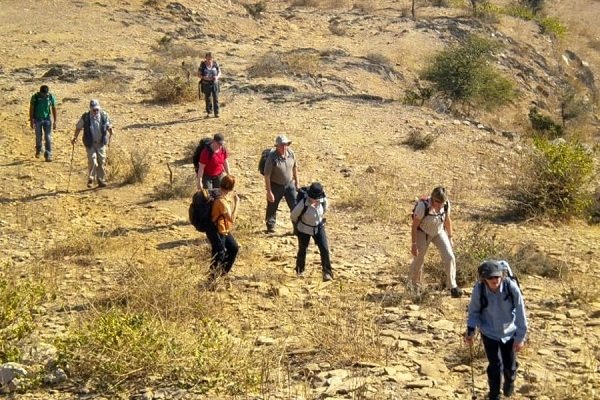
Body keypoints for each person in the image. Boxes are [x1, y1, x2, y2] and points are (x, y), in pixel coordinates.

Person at [465, 260, 528, 400]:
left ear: (502, 276)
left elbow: (520, 313)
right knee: (494, 365)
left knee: (509, 365)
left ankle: (510, 381)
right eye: (490, 277)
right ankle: (494, 394)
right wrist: (470, 331)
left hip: (509, 332)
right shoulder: (479, 290)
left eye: (497, 277)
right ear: (483, 278)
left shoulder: (511, 288)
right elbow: (474, 312)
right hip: (489, 332)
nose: (494, 280)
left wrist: (520, 338)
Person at [409, 186, 463, 297]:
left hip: (438, 232)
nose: (439, 205)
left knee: (449, 256)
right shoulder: (422, 206)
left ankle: (452, 286)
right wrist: (414, 244)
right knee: (419, 258)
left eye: (442, 203)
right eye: (437, 202)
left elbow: (447, 220)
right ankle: (414, 285)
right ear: (432, 199)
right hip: (422, 232)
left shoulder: (446, 204)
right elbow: (414, 226)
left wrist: (450, 237)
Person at [291, 182, 333, 281]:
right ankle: (300, 271)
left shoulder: (322, 200)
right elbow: (293, 215)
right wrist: (297, 227)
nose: (314, 199)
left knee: (324, 249)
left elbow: (325, 209)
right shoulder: (303, 203)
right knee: (302, 250)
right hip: (304, 229)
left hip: (318, 227)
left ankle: (327, 273)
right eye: (312, 197)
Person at [72, 99, 113, 188]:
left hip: (101, 143)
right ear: (90, 109)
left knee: (101, 162)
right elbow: (78, 127)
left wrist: (110, 131)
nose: (95, 111)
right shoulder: (85, 117)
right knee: (93, 161)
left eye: (97, 109)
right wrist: (75, 137)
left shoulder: (104, 115)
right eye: (94, 110)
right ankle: (91, 179)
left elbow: (109, 125)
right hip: (90, 143)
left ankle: (101, 180)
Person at [263, 134, 299, 233]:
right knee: (272, 206)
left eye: (286, 144)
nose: (284, 147)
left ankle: (297, 227)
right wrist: (269, 191)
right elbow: (267, 175)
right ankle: (270, 226)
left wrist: (297, 183)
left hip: (289, 184)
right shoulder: (272, 157)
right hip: (276, 185)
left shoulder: (291, 153)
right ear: (277, 146)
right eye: (281, 145)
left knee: (295, 206)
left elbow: (295, 168)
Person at [208, 174, 239, 279]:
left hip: (222, 228)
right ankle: (212, 279)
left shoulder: (216, 192)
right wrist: (237, 203)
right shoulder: (222, 201)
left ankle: (222, 274)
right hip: (215, 229)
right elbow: (232, 219)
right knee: (219, 254)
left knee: (233, 248)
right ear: (231, 187)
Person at [29, 85, 57, 162]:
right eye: (44, 94)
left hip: (47, 119)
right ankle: (39, 150)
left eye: (46, 94)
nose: (45, 95)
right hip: (37, 119)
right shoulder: (35, 97)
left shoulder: (50, 97)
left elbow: (54, 108)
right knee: (38, 137)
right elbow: (31, 109)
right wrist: (31, 121)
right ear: (40, 93)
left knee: (48, 137)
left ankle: (48, 154)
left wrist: (55, 121)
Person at [198, 52, 221, 118]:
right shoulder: (202, 64)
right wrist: (204, 77)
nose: (209, 58)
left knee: (215, 98)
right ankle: (209, 112)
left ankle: (216, 113)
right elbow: (199, 74)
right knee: (208, 98)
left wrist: (217, 77)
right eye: (208, 57)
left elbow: (219, 72)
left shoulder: (215, 63)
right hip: (206, 83)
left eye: (211, 57)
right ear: (206, 57)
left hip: (214, 83)